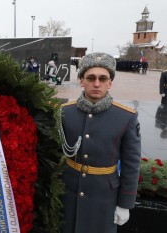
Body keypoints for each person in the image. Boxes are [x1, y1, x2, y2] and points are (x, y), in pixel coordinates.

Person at [59, 52, 141, 233]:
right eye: (91, 78)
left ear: (109, 83)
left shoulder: (125, 117)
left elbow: (131, 164)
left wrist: (125, 204)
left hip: (104, 199)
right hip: (69, 195)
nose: (97, 83)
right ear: (82, 81)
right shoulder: (65, 112)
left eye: (103, 78)